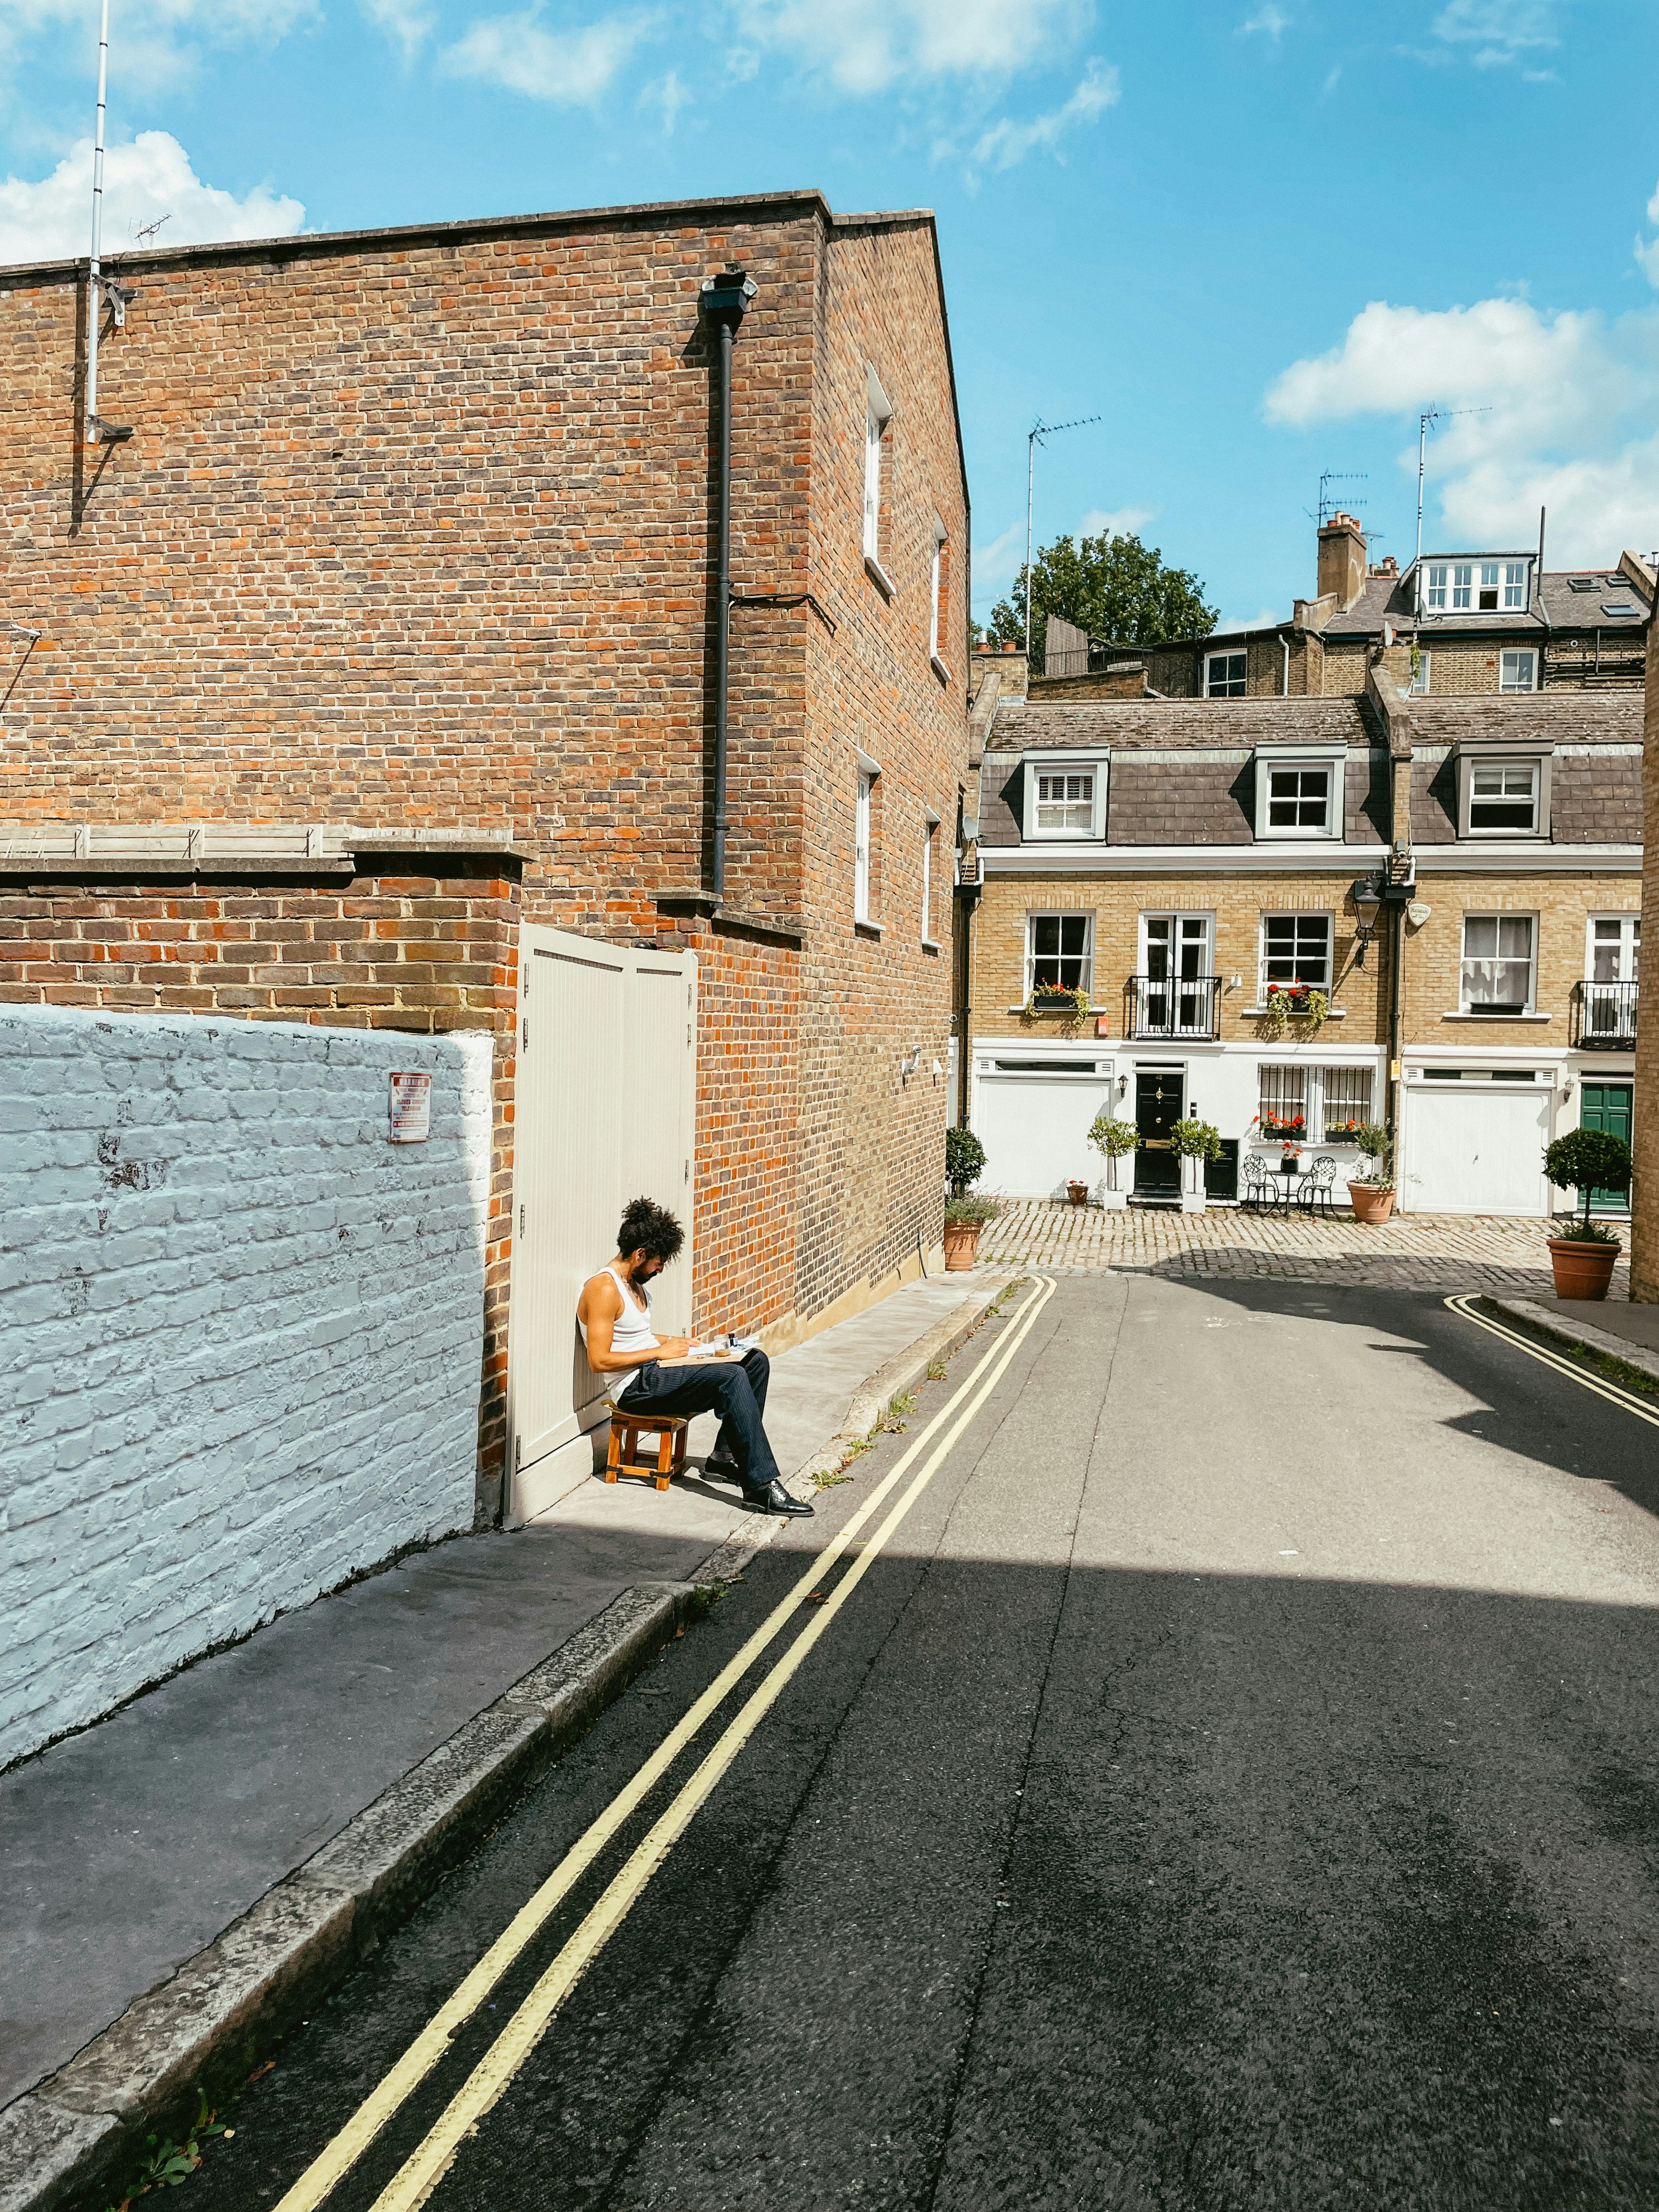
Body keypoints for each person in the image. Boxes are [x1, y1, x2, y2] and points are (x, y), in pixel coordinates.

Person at [576, 1195, 812, 1518]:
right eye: (658, 1262)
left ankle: (724, 1459)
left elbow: (634, 1336)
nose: (660, 1269)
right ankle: (760, 1487)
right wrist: (662, 1351)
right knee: (730, 1378)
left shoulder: (634, 1285)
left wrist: (681, 1344)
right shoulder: (604, 1288)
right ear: (640, 1254)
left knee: (754, 1361)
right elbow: (599, 1359)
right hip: (635, 1389)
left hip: (654, 1372)